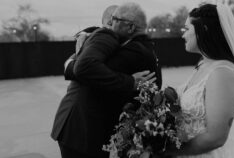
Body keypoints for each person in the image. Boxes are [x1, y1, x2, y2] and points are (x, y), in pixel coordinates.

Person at [51, 3, 162, 158]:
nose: (109, 27)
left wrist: (70, 64)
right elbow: (86, 69)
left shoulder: (125, 45)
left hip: (82, 126)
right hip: (79, 128)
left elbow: (88, 70)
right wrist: (131, 82)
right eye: (111, 21)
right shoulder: (107, 37)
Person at [161, 3, 234, 158]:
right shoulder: (204, 64)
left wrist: (170, 151)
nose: (183, 35)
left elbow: (216, 137)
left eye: (187, 29)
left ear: (204, 30)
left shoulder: (223, 74)